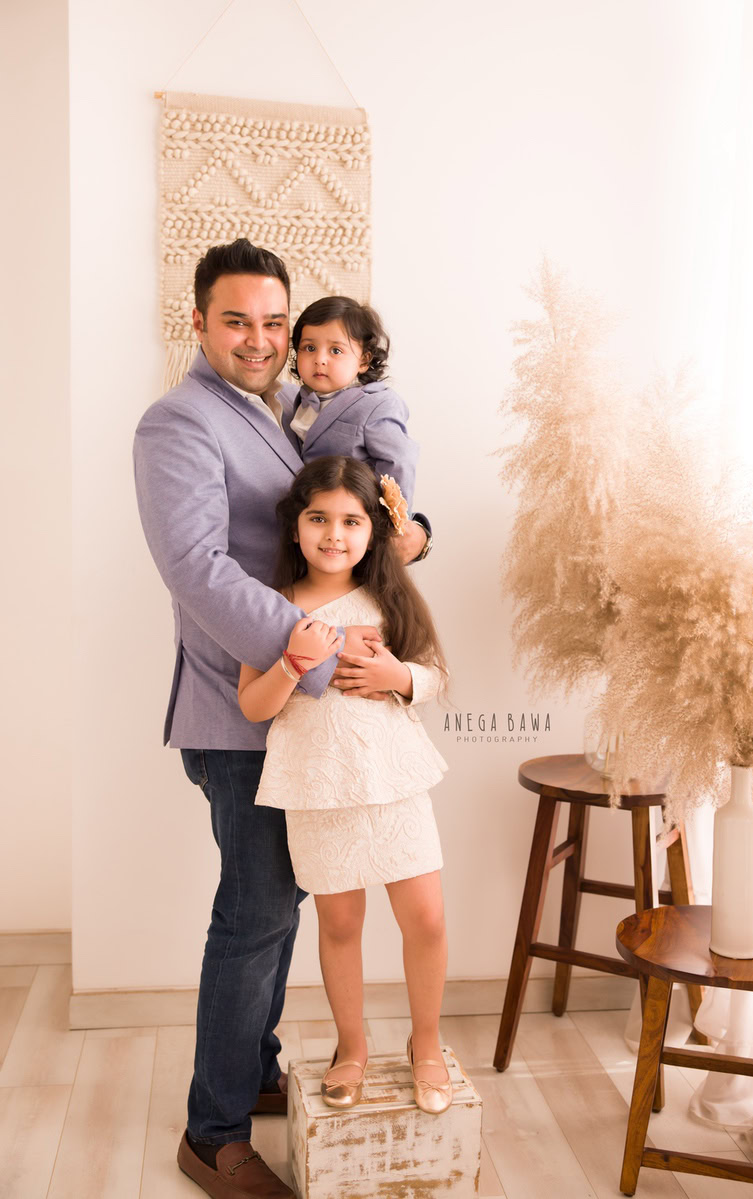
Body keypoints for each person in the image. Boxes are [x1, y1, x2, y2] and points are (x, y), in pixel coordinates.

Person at [133, 239, 431, 1199]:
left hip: (295, 716)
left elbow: (341, 507)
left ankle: (253, 1066)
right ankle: (211, 1132)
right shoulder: (179, 420)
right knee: (255, 912)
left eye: (274, 322)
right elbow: (197, 569)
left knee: (280, 903)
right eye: (237, 320)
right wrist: (320, 648)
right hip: (239, 706)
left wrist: (408, 529)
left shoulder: (275, 413)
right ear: (199, 323)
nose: (260, 339)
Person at [238, 456, 453, 1118]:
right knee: (339, 921)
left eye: (352, 520)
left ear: (374, 528)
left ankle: (427, 1043)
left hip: (392, 779)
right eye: (319, 518)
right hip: (317, 783)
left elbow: (436, 673)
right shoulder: (269, 606)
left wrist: (398, 675)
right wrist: (297, 660)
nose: (335, 534)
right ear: (296, 526)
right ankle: (351, 1044)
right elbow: (253, 704)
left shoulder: (388, 597)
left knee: (426, 917)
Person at [280, 296, 421, 511]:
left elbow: (398, 461)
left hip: (360, 516)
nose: (320, 359)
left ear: (364, 361)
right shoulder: (295, 399)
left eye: (336, 350)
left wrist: (395, 524)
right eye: (309, 348)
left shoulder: (377, 404)